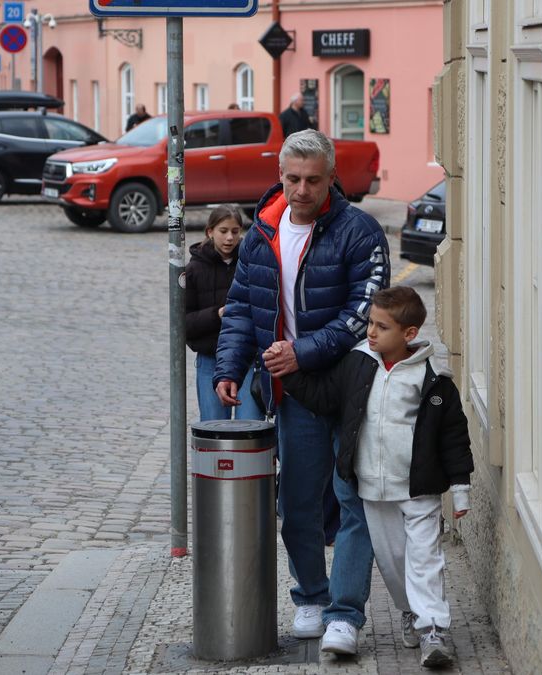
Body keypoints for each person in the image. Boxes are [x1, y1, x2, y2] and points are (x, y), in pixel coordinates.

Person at [214, 129, 390, 647]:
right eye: (292, 179)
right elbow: (243, 307)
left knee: (353, 499)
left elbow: (366, 312)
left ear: (332, 179)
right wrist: (230, 366)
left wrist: (303, 350)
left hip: (355, 388)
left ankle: (345, 613)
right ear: (280, 176)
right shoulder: (262, 232)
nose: (302, 190)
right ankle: (311, 595)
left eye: (314, 180)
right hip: (295, 395)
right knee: (295, 503)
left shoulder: (360, 231)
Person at [274, 286, 473, 666]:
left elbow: (453, 436)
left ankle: (434, 629)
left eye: (382, 327)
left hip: (419, 488)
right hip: (371, 487)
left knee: (424, 557)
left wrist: (460, 489)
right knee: (393, 559)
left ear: (409, 334)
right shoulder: (357, 364)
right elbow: (324, 398)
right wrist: (291, 375)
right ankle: (411, 611)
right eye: (370, 323)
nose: (371, 332)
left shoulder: (433, 379)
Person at [185, 206, 264, 421]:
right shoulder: (194, 269)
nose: (230, 238)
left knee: (249, 424)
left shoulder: (249, 263)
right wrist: (217, 314)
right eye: (223, 231)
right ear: (210, 232)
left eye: (235, 231)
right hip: (210, 357)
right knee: (214, 427)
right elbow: (184, 324)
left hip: (247, 358)